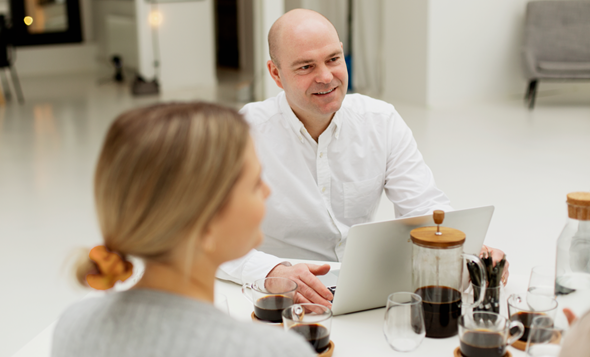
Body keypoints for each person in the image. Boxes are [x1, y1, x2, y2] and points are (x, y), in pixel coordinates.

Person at [217, 9, 509, 307]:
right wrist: (272, 272)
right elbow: (205, 236)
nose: (326, 77)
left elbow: (423, 208)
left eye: (333, 59)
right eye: (306, 67)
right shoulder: (243, 134)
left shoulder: (381, 121)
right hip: (282, 297)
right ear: (276, 74)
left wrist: (466, 250)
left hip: (365, 293)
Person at [52, 103, 315, 357]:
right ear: (206, 226)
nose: (267, 192)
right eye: (255, 183)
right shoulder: (272, 351)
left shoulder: (73, 325)